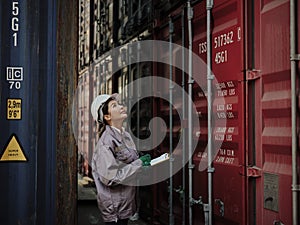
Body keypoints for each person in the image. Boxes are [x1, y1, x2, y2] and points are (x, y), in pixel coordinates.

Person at [90, 93, 151, 225]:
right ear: (107, 116)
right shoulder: (106, 143)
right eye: (114, 106)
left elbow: (129, 162)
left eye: (119, 104)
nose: (121, 107)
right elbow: (110, 177)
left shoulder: (126, 136)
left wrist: (141, 162)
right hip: (115, 208)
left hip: (126, 203)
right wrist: (138, 164)